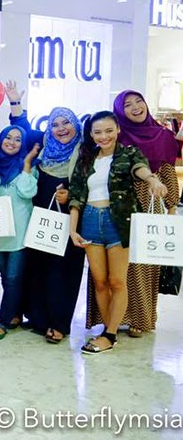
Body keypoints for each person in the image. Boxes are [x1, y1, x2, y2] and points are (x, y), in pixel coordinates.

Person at [69, 111, 167, 354]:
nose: (104, 136)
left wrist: (152, 180)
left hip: (119, 222)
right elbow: (76, 195)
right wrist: (72, 230)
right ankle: (108, 330)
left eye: (109, 130)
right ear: (91, 134)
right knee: (100, 282)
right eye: (98, 132)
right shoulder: (86, 158)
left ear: (118, 130)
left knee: (117, 281)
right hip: (90, 220)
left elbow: (140, 168)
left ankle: (109, 335)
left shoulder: (129, 153)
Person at [99, 90, 181, 338]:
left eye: (139, 101)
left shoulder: (164, 136)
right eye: (127, 104)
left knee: (142, 265)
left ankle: (140, 318)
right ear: (119, 112)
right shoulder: (116, 136)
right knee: (115, 268)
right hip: (117, 206)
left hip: (149, 205)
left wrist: (171, 207)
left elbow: (167, 172)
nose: (135, 107)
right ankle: (113, 318)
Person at [11, 101, 86, 344]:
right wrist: (15, 103)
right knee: (38, 268)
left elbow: (93, 186)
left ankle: (58, 323)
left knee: (62, 272)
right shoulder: (44, 151)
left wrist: (71, 196)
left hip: (70, 222)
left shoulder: (85, 152)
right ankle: (39, 319)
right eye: (55, 124)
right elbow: (21, 129)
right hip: (40, 220)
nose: (61, 128)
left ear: (75, 125)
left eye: (66, 123)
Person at [0, 126, 39, 340]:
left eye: (18, 139)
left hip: (20, 234)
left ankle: (2, 321)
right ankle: (15, 313)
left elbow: (27, 192)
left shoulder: (30, 167)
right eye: (8, 137)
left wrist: (26, 165)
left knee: (13, 278)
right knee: (6, 278)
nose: (12, 142)